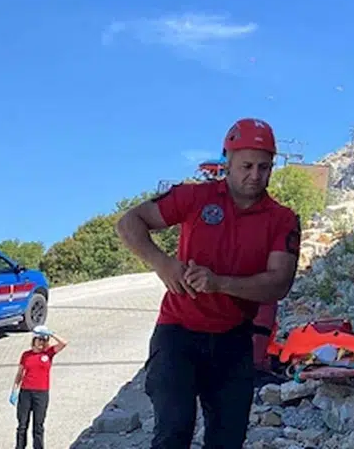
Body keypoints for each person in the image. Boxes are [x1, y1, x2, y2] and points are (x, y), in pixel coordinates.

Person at [116, 117, 301, 449]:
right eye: (246, 166)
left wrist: (220, 284)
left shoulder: (282, 219)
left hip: (234, 339)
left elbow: (279, 284)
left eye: (264, 167)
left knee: (227, 440)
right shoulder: (194, 196)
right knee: (173, 432)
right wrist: (162, 264)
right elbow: (130, 222)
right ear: (227, 162)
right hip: (178, 333)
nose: (255, 175)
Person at [10, 325, 68, 449]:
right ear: (34, 340)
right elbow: (20, 374)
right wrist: (14, 390)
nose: (41, 342)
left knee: (38, 426)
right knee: (22, 425)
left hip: (41, 393)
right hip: (26, 392)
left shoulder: (49, 353)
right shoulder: (26, 355)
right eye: (39, 339)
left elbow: (64, 343)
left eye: (44, 340)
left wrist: (51, 333)